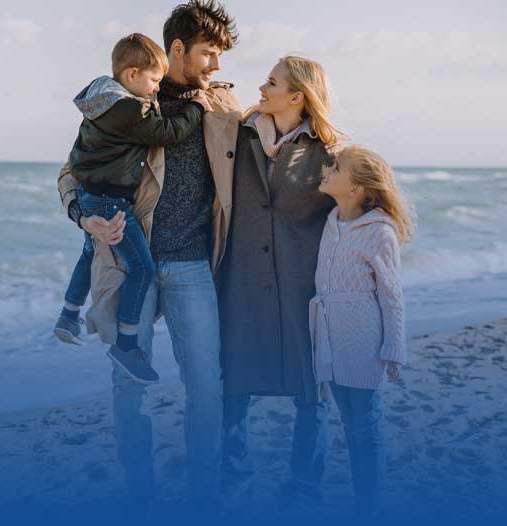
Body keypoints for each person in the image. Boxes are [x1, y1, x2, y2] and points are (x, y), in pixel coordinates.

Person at [56, 0, 240, 507]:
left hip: (191, 264)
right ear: (178, 48)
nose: (216, 66)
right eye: (208, 54)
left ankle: (204, 495)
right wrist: (82, 216)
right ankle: (140, 493)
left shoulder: (222, 107)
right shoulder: (125, 100)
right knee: (127, 385)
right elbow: (72, 171)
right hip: (125, 259)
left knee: (206, 384)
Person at [218, 56, 345, 501]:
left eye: (271, 82)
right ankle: (234, 479)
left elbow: (353, 215)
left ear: (297, 95)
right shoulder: (237, 134)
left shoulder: (331, 152)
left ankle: (305, 487)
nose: (261, 87)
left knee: (312, 388)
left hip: (303, 285)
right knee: (233, 380)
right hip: (241, 279)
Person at [54, 33, 211, 386]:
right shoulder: (130, 108)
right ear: (132, 75)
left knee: (87, 253)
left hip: (94, 194)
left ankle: (68, 314)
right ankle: (126, 345)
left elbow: (77, 162)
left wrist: (83, 207)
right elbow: (167, 132)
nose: (156, 89)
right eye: (154, 80)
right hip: (111, 201)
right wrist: (197, 107)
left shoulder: (100, 102)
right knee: (142, 269)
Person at [313, 144, 413, 511]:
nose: (328, 169)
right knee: (349, 423)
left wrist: (393, 349)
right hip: (329, 338)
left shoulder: (379, 232)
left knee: (365, 426)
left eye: (336, 167)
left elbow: (392, 296)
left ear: (355, 189)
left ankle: (370, 506)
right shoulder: (331, 220)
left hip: (364, 340)